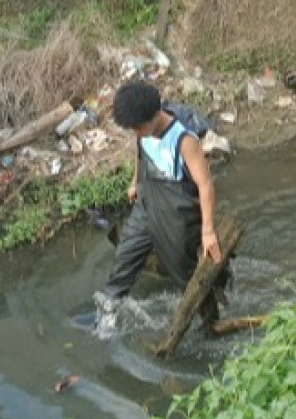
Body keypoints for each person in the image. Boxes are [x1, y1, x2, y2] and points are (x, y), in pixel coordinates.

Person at [93, 81, 225, 338]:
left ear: (155, 116)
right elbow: (140, 152)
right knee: (125, 254)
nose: (137, 133)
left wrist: (208, 231)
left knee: (184, 271)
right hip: (147, 201)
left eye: (139, 127)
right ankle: (108, 310)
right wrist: (134, 182)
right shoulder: (143, 129)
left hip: (177, 211)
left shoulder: (184, 139)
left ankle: (209, 319)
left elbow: (205, 184)